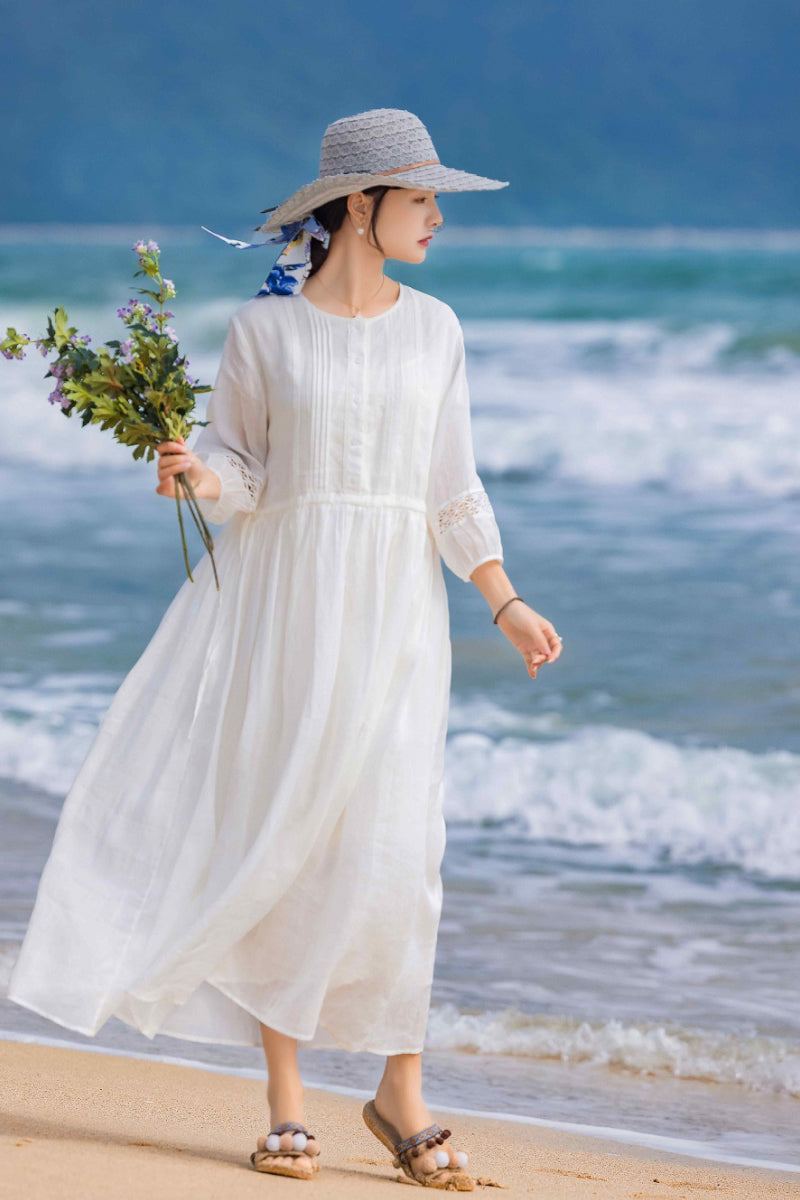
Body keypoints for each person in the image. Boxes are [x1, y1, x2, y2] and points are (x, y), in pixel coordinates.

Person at [7, 107, 562, 1189]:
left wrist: (503, 599)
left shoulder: (437, 329)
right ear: (359, 207)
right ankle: (285, 1106)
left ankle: (400, 1092)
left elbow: (450, 487)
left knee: (399, 850)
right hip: (288, 606)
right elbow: (245, 471)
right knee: (285, 836)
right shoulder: (264, 333)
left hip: (397, 615)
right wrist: (198, 474)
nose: (436, 218)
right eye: (420, 199)